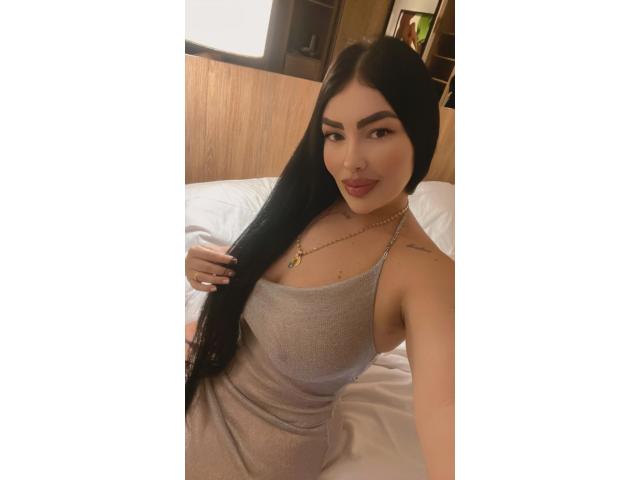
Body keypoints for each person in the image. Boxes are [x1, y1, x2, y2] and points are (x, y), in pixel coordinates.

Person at [185, 36, 454, 480]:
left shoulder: (427, 274)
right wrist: (205, 267)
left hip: (257, 445)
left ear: (420, 133)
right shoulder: (309, 201)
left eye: (379, 132)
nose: (350, 162)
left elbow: (448, 411)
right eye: (334, 134)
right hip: (204, 369)